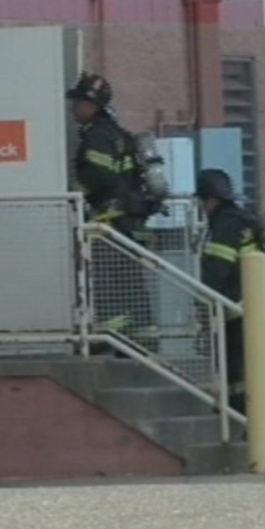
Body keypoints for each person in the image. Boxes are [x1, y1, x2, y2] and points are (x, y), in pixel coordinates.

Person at [193, 169, 265, 439]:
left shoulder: (226, 223)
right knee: (240, 364)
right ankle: (245, 414)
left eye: (203, 201)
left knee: (252, 363)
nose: (203, 207)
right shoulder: (240, 217)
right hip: (249, 302)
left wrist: (201, 301)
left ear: (210, 199)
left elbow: (217, 268)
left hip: (242, 304)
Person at [68, 72, 154, 351]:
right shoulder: (120, 135)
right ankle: (144, 342)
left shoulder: (98, 135)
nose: (73, 108)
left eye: (78, 102)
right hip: (130, 222)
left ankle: (108, 339)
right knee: (132, 285)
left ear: (91, 105)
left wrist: (73, 193)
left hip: (110, 224)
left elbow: (98, 176)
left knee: (109, 284)